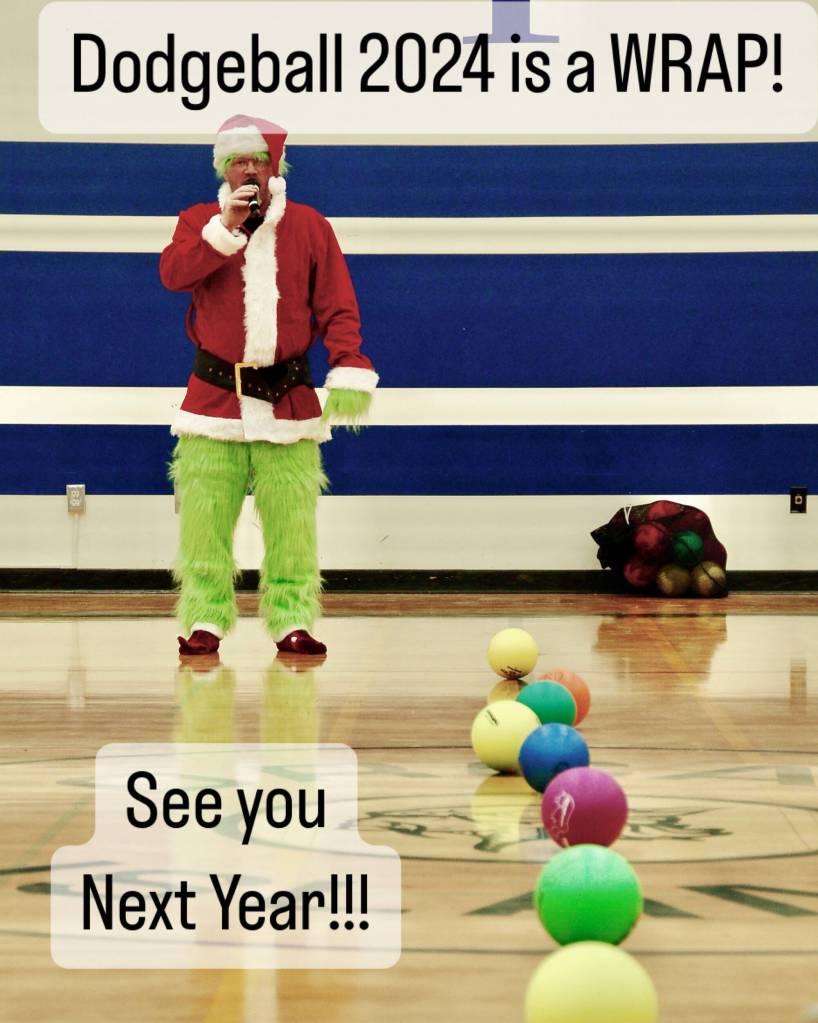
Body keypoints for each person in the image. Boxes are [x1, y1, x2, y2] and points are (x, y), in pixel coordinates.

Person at [160, 114, 377, 657]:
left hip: (288, 399)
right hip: (214, 399)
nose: (249, 169)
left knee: (292, 523)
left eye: (258, 159)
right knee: (205, 521)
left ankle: (292, 618)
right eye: (238, 161)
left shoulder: (310, 226)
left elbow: (338, 304)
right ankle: (205, 617)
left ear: (275, 166)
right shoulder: (198, 222)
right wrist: (224, 230)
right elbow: (173, 274)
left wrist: (348, 363)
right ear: (223, 169)